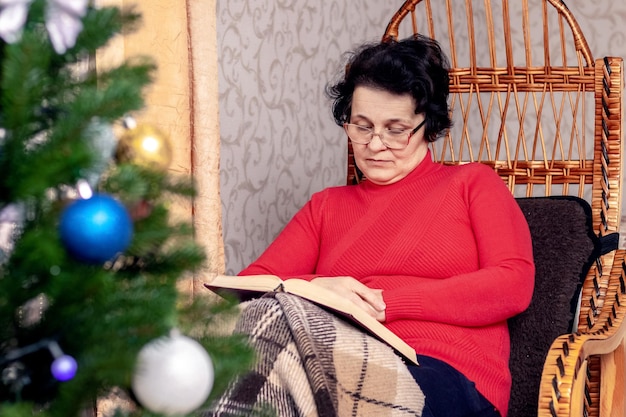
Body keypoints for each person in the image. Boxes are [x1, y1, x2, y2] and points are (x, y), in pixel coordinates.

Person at [238, 34, 535, 417]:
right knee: (260, 325)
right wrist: (311, 288)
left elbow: (513, 283)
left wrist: (382, 304)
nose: (375, 144)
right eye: (362, 126)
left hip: (444, 375)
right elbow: (248, 290)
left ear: (428, 123)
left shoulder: (472, 184)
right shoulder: (326, 206)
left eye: (395, 130)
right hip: (334, 364)